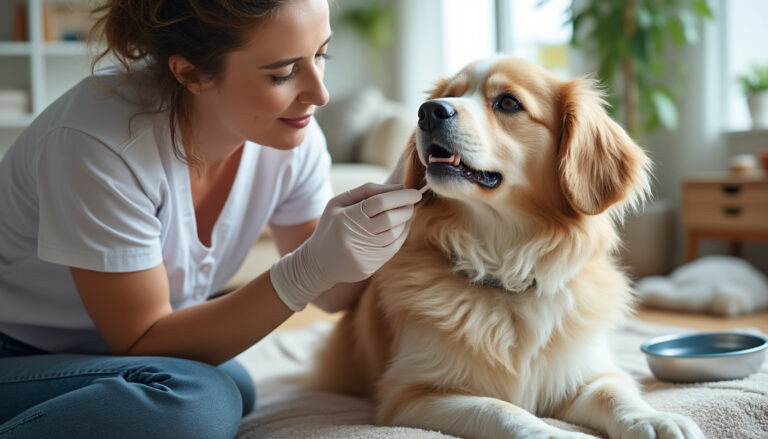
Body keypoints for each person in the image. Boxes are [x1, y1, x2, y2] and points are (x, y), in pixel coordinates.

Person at [0, 0, 420, 437]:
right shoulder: (100, 144)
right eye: (282, 73)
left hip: (97, 354)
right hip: (15, 351)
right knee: (197, 402)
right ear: (191, 73)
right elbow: (140, 340)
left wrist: (398, 195)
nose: (320, 93)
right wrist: (306, 269)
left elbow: (333, 296)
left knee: (234, 385)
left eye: (321, 55)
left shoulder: (293, 136)